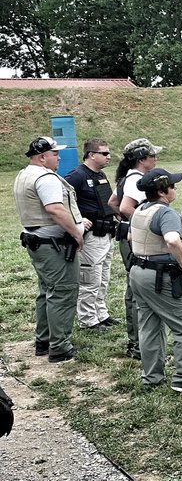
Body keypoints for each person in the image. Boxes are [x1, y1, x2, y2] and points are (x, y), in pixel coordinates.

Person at [14, 136, 85, 363]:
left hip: (38, 241)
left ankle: (44, 340)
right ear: (43, 157)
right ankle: (60, 346)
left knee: (47, 292)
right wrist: (76, 232)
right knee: (63, 292)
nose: (59, 157)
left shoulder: (25, 174)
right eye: (55, 154)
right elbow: (55, 209)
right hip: (54, 245)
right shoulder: (46, 178)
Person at [128, 167, 182, 393]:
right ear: (163, 191)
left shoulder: (139, 210)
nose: (175, 189)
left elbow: (129, 236)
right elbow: (173, 240)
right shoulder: (166, 213)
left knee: (149, 326)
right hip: (160, 275)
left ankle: (152, 377)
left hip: (137, 272)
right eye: (173, 185)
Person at [112, 137, 163, 359]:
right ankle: (138, 344)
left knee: (134, 290)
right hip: (134, 238)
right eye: (152, 156)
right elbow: (124, 206)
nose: (156, 159)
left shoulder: (128, 177)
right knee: (136, 293)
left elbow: (112, 203)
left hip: (128, 234)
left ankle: (137, 342)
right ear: (142, 159)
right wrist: (146, 221)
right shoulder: (136, 180)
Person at [65, 138, 120, 331]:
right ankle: (88, 320)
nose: (109, 156)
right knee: (90, 279)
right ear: (91, 155)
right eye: (104, 153)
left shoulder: (101, 175)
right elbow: (62, 201)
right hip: (91, 237)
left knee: (102, 278)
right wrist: (77, 220)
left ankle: (101, 314)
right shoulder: (77, 176)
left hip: (106, 233)